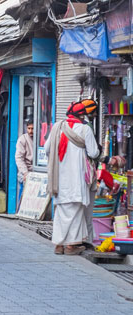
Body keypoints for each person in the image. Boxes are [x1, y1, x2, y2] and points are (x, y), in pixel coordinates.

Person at [45, 100, 100, 256]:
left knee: (62, 210)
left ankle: (59, 244)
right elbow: (94, 153)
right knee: (76, 211)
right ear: (82, 115)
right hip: (77, 177)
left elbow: (47, 149)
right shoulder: (84, 129)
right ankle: (71, 245)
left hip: (59, 177)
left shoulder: (57, 127)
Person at [15, 119, 34, 203]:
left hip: (35, 170)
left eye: (32, 128)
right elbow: (19, 158)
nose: (30, 131)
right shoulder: (22, 139)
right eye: (29, 128)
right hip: (26, 171)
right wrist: (25, 172)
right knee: (24, 194)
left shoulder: (41, 138)